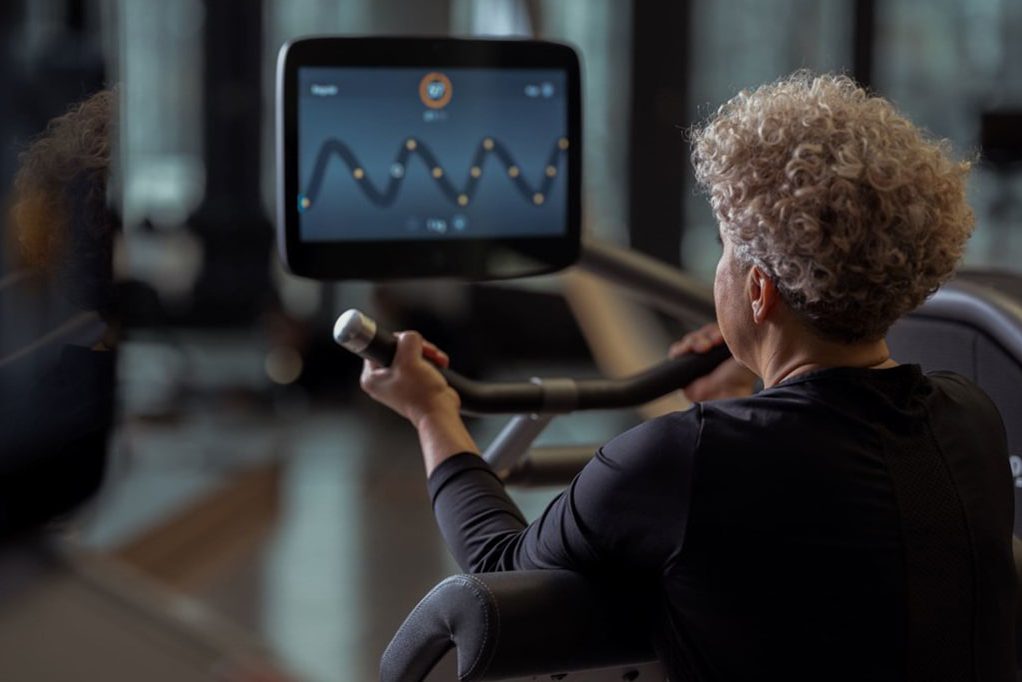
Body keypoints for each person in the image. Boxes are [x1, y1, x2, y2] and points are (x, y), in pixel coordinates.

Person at [360, 72, 1016, 680]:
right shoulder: (974, 419)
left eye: (726, 250)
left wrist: (432, 414)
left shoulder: (687, 457)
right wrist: (745, 395)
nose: (720, 271)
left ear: (759, 291)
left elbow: (501, 568)